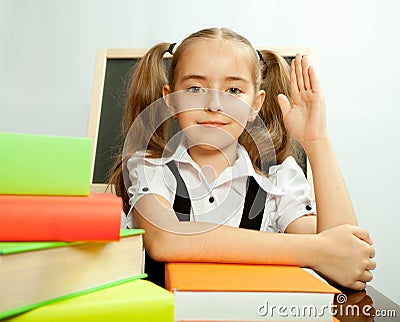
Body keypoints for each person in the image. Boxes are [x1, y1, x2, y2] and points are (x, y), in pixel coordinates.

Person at [109, 27, 376, 290]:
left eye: (233, 91)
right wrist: (317, 251)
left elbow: (348, 255)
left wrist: (317, 141)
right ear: (171, 100)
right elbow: (166, 238)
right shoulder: (149, 168)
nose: (214, 105)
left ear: (255, 105)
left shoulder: (278, 181)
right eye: (194, 89)